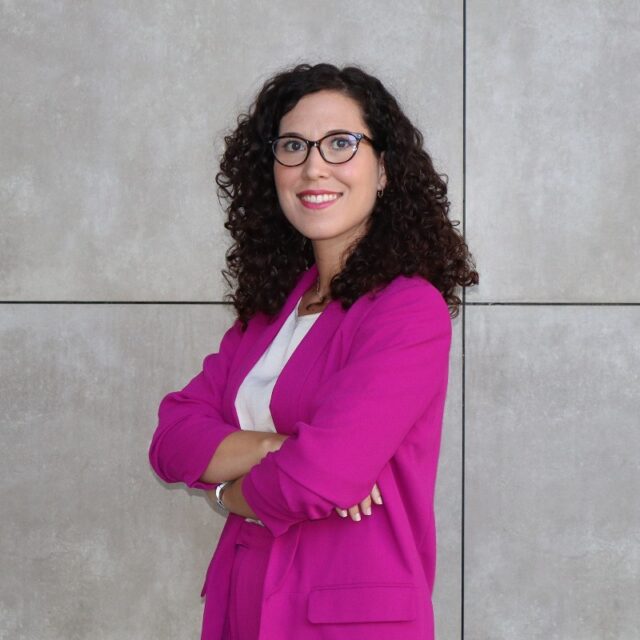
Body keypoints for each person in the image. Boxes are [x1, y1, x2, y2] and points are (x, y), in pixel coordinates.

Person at [148, 62, 478, 640]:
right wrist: (277, 446)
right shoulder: (271, 312)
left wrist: (227, 491)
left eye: (340, 143)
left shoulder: (407, 309)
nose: (313, 166)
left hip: (346, 621)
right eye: (293, 145)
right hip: (243, 606)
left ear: (384, 169)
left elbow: (321, 477)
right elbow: (172, 439)